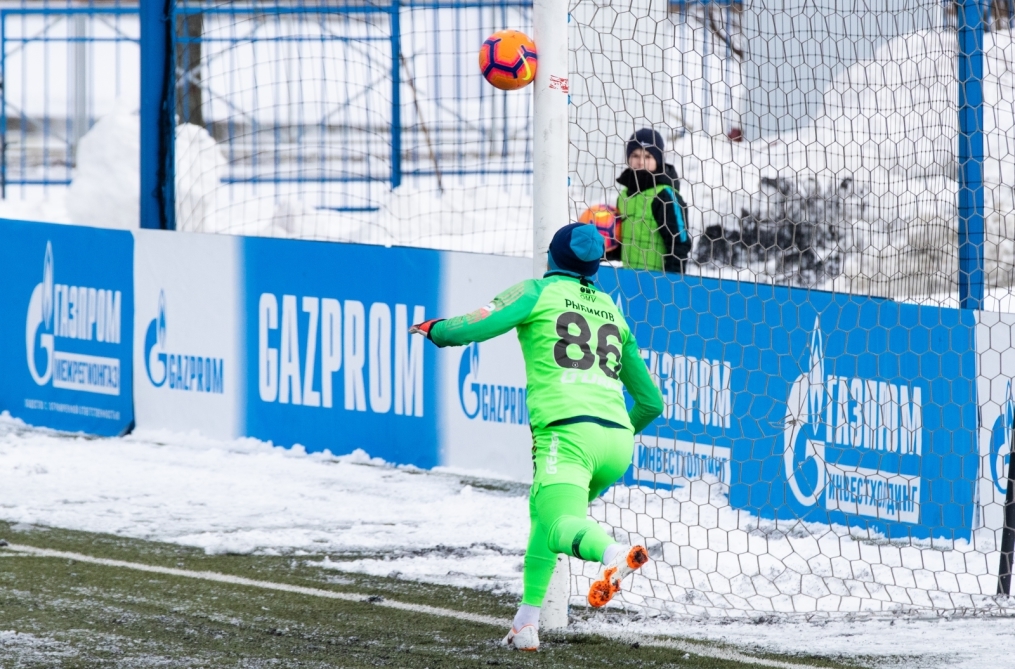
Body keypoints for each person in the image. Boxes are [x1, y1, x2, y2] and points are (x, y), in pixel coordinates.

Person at [409, 223, 664, 652]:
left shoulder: (536, 292)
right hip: (617, 441)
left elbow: (471, 328)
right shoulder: (612, 310)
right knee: (545, 518)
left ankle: (613, 554)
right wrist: (614, 431)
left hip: (566, 434)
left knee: (560, 524)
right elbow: (652, 402)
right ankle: (526, 624)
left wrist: (435, 329)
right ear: (595, 267)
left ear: (551, 257)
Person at [616, 128, 692, 273]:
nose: (641, 162)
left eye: (648, 156)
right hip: (627, 279)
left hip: (657, 282)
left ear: (658, 160)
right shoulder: (623, 196)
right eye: (635, 155)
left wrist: (671, 282)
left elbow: (679, 243)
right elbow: (623, 244)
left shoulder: (665, 195)